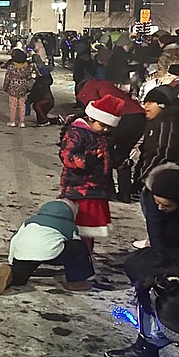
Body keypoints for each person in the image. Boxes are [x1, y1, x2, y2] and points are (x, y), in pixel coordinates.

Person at [58, 93, 122, 250]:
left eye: (109, 127)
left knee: (89, 228)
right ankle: (77, 253)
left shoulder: (101, 134)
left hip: (96, 187)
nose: (105, 129)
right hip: (79, 187)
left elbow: (106, 154)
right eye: (103, 125)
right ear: (91, 118)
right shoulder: (77, 132)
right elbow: (67, 156)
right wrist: (88, 160)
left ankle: (85, 253)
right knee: (80, 225)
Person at [0, 199, 94, 294]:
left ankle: (13, 275)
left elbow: (15, 239)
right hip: (49, 251)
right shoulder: (68, 225)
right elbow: (76, 244)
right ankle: (76, 282)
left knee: (24, 267)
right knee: (78, 248)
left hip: (24, 249)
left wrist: (12, 261)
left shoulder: (30, 221)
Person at [77, 78, 146, 202]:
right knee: (122, 154)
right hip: (139, 118)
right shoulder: (105, 83)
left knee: (105, 153)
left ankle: (108, 191)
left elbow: (93, 108)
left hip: (122, 119)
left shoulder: (89, 86)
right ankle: (124, 193)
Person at [1, 48, 36, 128]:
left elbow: (7, 77)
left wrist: (5, 87)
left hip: (13, 86)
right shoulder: (26, 66)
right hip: (23, 86)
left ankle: (12, 121)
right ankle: (22, 122)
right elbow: (29, 77)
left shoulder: (11, 66)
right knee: (22, 105)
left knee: (13, 105)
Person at [27, 62, 57, 126]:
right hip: (48, 101)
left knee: (36, 106)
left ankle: (45, 120)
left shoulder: (40, 83)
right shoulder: (45, 81)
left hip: (45, 101)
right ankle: (54, 120)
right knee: (40, 119)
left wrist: (29, 99)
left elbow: (35, 92)